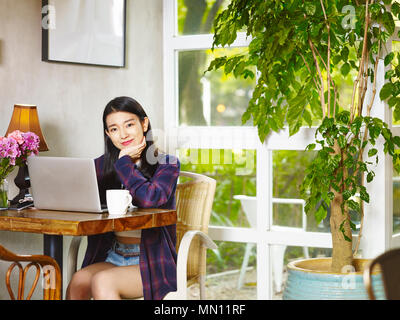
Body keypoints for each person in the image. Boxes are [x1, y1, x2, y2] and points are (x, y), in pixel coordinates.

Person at [66, 96, 180, 300]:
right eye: (114, 129)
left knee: (103, 281)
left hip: (151, 260)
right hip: (114, 255)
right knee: (79, 281)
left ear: (144, 124)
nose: (123, 134)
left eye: (129, 124)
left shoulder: (167, 164)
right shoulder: (100, 166)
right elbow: (83, 202)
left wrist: (124, 163)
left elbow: (149, 199)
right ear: (108, 134)